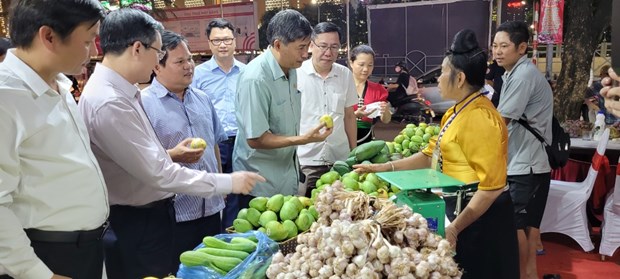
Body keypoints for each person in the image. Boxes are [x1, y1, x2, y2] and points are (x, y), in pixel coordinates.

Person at [77, 9, 264, 278]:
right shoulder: (110, 101)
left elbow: (139, 156)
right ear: (138, 49)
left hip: (149, 218)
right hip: (137, 221)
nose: (157, 59)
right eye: (158, 51)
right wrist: (229, 182)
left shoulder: (124, 92)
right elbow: (158, 173)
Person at [355, 29, 518, 279]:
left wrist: (456, 228)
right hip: (461, 212)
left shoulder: (481, 118)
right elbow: (428, 155)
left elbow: (491, 188)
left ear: (460, 78)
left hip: (482, 222)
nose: (439, 79)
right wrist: (382, 168)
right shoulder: (456, 112)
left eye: (443, 72)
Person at [0, 1, 108, 278]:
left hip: (86, 248)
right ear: (48, 37)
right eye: (87, 41)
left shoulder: (59, 84)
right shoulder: (6, 96)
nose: (94, 51)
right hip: (47, 256)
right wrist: (36, 273)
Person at [140, 30, 227, 269]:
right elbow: (143, 160)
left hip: (210, 208)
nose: (189, 66)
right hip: (175, 214)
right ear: (157, 67)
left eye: (190, 59)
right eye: (180, 61)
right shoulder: (143, 104)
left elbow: (215, 145)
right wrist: (174, 154)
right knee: (178, 270)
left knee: (213, 269)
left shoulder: (202, 99)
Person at [233, 9, 332, 209]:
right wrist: (305, 139)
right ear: (278, 45)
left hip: (286, 177)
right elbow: (256, 138)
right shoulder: (255, 79)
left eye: (308, 47)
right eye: (301, 48)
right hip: (259, 186)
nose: (306, 55)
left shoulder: (291, 69)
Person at [493, 20, 553, 279]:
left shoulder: (522, 75)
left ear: (521, 48)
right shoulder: (512, 74)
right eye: (495, 45)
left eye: (504, 46)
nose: (497, 51)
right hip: (528, 163)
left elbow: (500, 122)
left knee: (517, 227)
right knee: (527, 229)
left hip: (525, 165)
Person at [191, 18, 245, 231]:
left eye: (227, 40)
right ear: (209, 43)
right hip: (213, 141)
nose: (222, 45)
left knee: (237, 189)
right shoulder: (198, 74)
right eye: (217, 40)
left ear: (235, 42)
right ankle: (213, 234)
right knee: (214, 188)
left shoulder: (246, 71)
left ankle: (231, 233)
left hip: (241, 139)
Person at [297, 22, 358, 197]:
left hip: (339, 159)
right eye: (323, 46)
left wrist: (353, 153)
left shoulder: (345, 74)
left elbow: (349, 116)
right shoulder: (297, 73)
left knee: (342, 211)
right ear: (311, 45)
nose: (328, 52)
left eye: (334, 47)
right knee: (306, 210)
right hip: (307, 159)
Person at [348, 44, 392, 144]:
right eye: (361, 64)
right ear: (351, 63)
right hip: (342, 138)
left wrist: (386, 111)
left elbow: (385, 120)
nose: (365, 69)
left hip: (366, 140)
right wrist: (354, 115)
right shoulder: (341, 87)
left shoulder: (378, 89)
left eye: (370, 65)